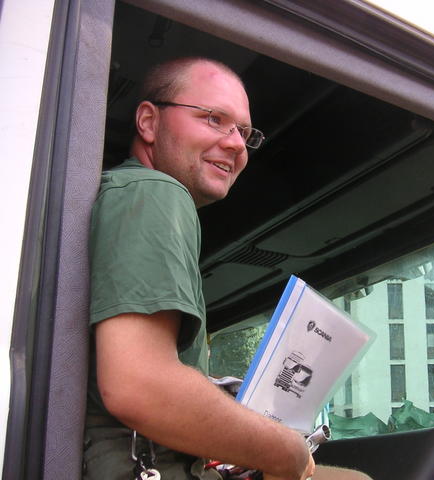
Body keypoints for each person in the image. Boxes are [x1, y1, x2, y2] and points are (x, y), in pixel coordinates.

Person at [84, 57, 371, 480]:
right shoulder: (157, 192)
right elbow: (139, 386)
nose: (237, 144)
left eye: (244, 132)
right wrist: (285, 450)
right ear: (148, 121)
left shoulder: (129, 194)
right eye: (214, 119)